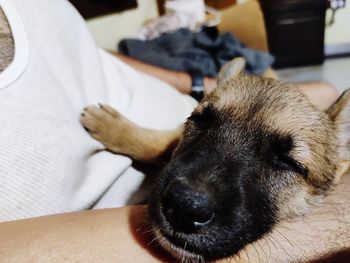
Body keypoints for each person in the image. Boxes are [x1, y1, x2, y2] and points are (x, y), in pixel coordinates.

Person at [0, 0, 346, 262]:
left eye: (285, 162)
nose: (195, 191)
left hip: (182, 88)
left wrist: (196, 86)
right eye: (203, 121)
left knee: (325, 91)